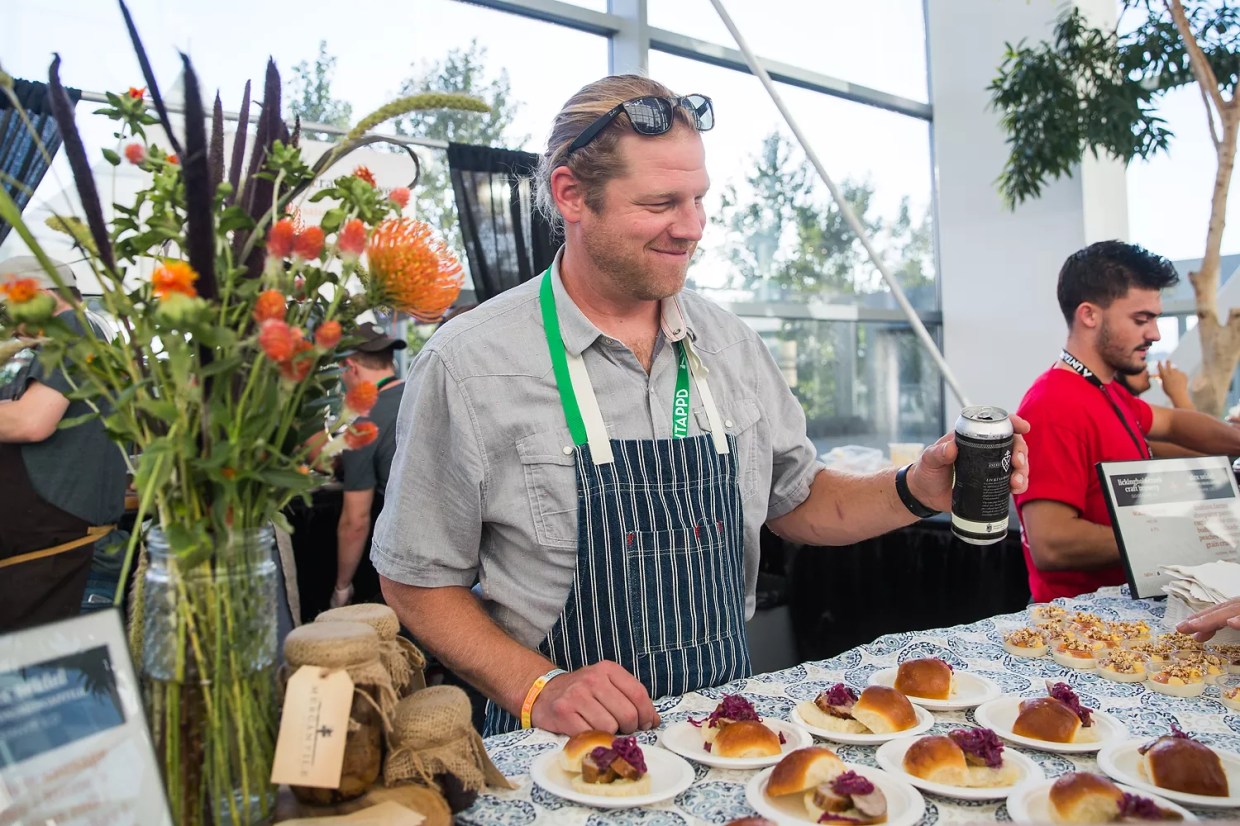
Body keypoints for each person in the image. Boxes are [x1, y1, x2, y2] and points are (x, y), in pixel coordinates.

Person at [372, 75, 1030, 737]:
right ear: (571, 194)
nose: (691, 229)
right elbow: (416, 580)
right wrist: (537, 687)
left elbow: (795, 500)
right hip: (557, 758)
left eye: (698, 199)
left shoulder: (730, 344)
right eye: (661, 203)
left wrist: (915, 488)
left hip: (727, 736)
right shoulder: (470, 364)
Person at [1014, 241, 1240, 603]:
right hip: (1081, 630)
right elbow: (1051, 543)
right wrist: (1184, 533)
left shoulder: (1106, 392)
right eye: (1141, 319)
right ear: (1089, 315)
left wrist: (1234, 439)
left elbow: (1175, 425)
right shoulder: (1052, 405)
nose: (1155, 334)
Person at [0, 255, 127, 631]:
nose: (8, 325)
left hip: (67, 566)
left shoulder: (75, 330)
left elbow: (31, 421)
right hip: (42, 566)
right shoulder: (58, 347)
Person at [330, 321, 407, 609]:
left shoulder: (364, 426)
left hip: (402, 567)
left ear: (351, 368)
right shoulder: (423, 396)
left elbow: (355, 522)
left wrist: (341, 587)